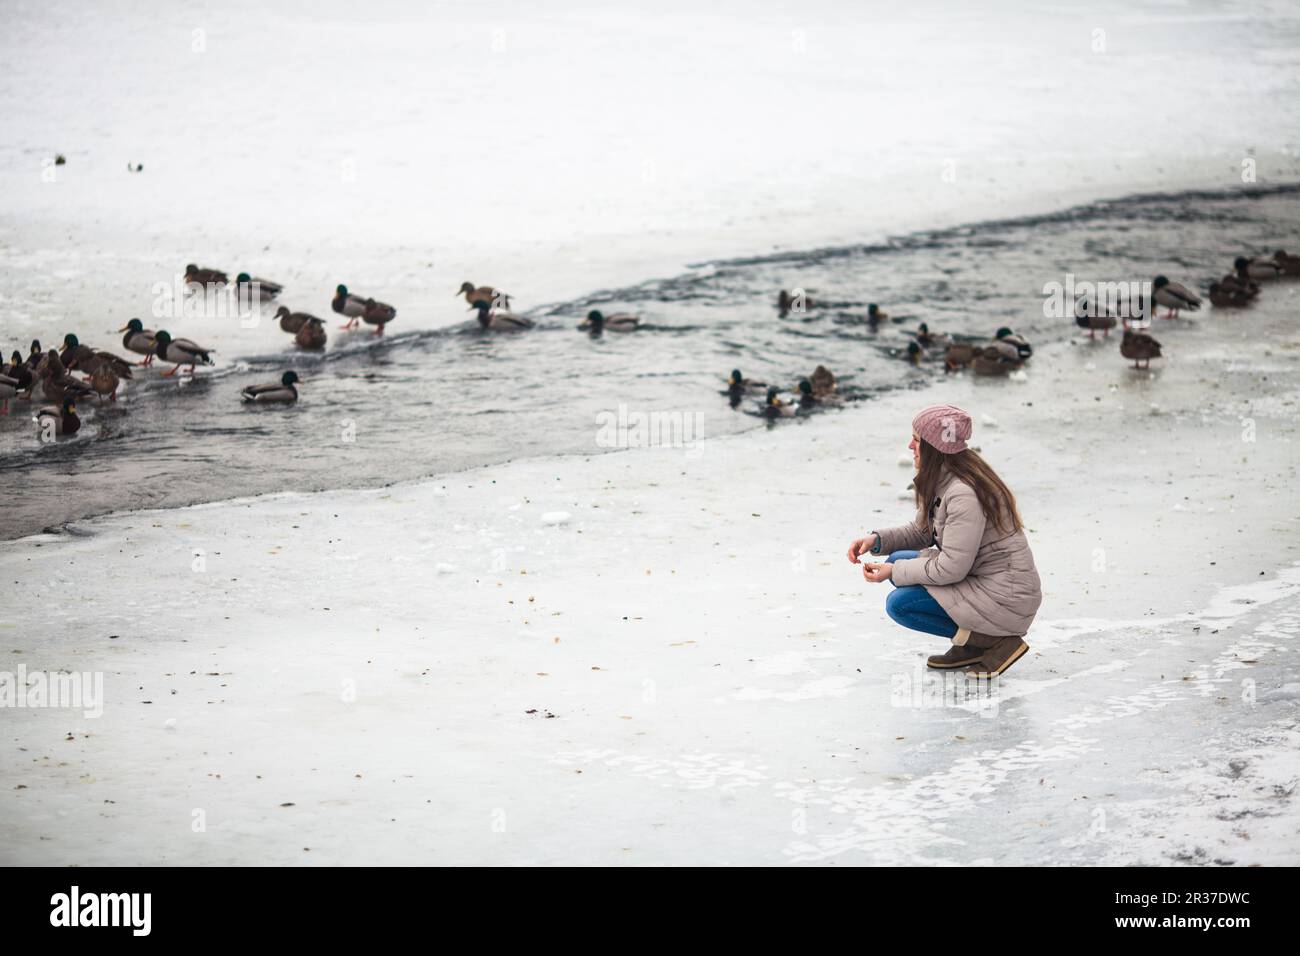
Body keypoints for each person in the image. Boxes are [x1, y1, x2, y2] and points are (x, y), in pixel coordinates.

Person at [846, 404, 1042, 677]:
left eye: (916, 440)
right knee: (896, 559)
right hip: (985, 582)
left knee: (900, 604)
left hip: (1005, 598)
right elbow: (921, 532)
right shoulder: (945, 479)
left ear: (934, 447)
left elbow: (951, 568)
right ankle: (974, 643)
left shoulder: (963, 493)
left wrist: (896, 572)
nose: (910, 446)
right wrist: (876, 540)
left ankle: (994, 642)